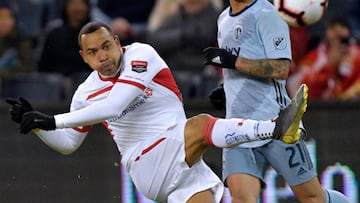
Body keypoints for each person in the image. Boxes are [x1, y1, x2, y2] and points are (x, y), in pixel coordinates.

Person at [6, 21, 307, 203]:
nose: (103, 57)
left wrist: (51, 120)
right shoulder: (84, 93)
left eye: (107, 47)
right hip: (145, 163)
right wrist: (36, 126)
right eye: (94, 53)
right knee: (201, 125)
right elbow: (69, 144)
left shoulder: (141, 55)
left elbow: (115, 105)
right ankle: (273, 128)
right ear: (84, 57)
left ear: (118, 44)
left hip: (183, 163)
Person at [202, 0, 351, 202]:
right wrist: (226, 90)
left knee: (312, 198)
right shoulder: (224, 19)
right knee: (243, 200)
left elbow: (280, 69)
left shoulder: (267, 14)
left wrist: (232, 62)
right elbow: (242, 63)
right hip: (239, 129)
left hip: (278, 125)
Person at [146, 0, 220, 99]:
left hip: (203, 72)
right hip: (175, 71)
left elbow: (204, 37)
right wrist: (182, 35)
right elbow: (154, 40)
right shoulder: (174, 16)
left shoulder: (215, 17)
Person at [287, 16, 360, 100]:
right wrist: (329, 65)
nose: (337, 42)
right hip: (320, 108)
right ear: (327, 32)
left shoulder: (357, 56)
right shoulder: (313, 58)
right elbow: (296, 88)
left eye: (341, 39)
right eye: (334, 35)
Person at [35, 0, 92, 99]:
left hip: (87, 83)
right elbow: (43, 65)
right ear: (66, 7)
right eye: (73, 4)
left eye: (81, 3)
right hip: (55, 84)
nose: (77, 8)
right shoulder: (54, 32)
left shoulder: (95, 33)